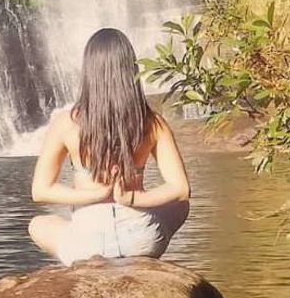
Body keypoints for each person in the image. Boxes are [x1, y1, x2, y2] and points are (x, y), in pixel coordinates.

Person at [28, 27, 191, 266]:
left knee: (38, 225)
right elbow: (181, 190)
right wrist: (131, 198)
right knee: (181, 206)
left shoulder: (66, 123)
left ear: (89, 71)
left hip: (86, 245)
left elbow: (40, 191)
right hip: (141, 240)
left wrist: (93, 195)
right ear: (130, 69)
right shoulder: (152, 122)